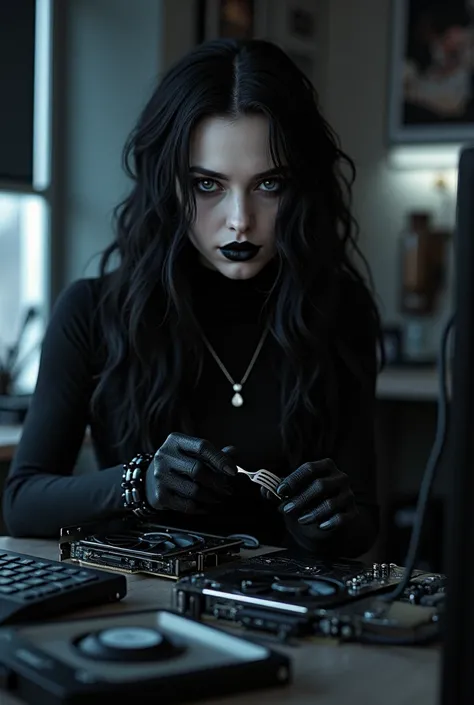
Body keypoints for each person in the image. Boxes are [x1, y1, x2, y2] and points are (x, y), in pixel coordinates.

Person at [2, 38, 383, 558]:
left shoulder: (342, 310)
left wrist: (326, 524)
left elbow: (364, 523)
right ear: (167, 185)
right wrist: (139, 483)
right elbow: (22, 502)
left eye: (269, 185)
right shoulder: (92, 312)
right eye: (208, 185)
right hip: (141, 606)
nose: (240, 219)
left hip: (286, 612)